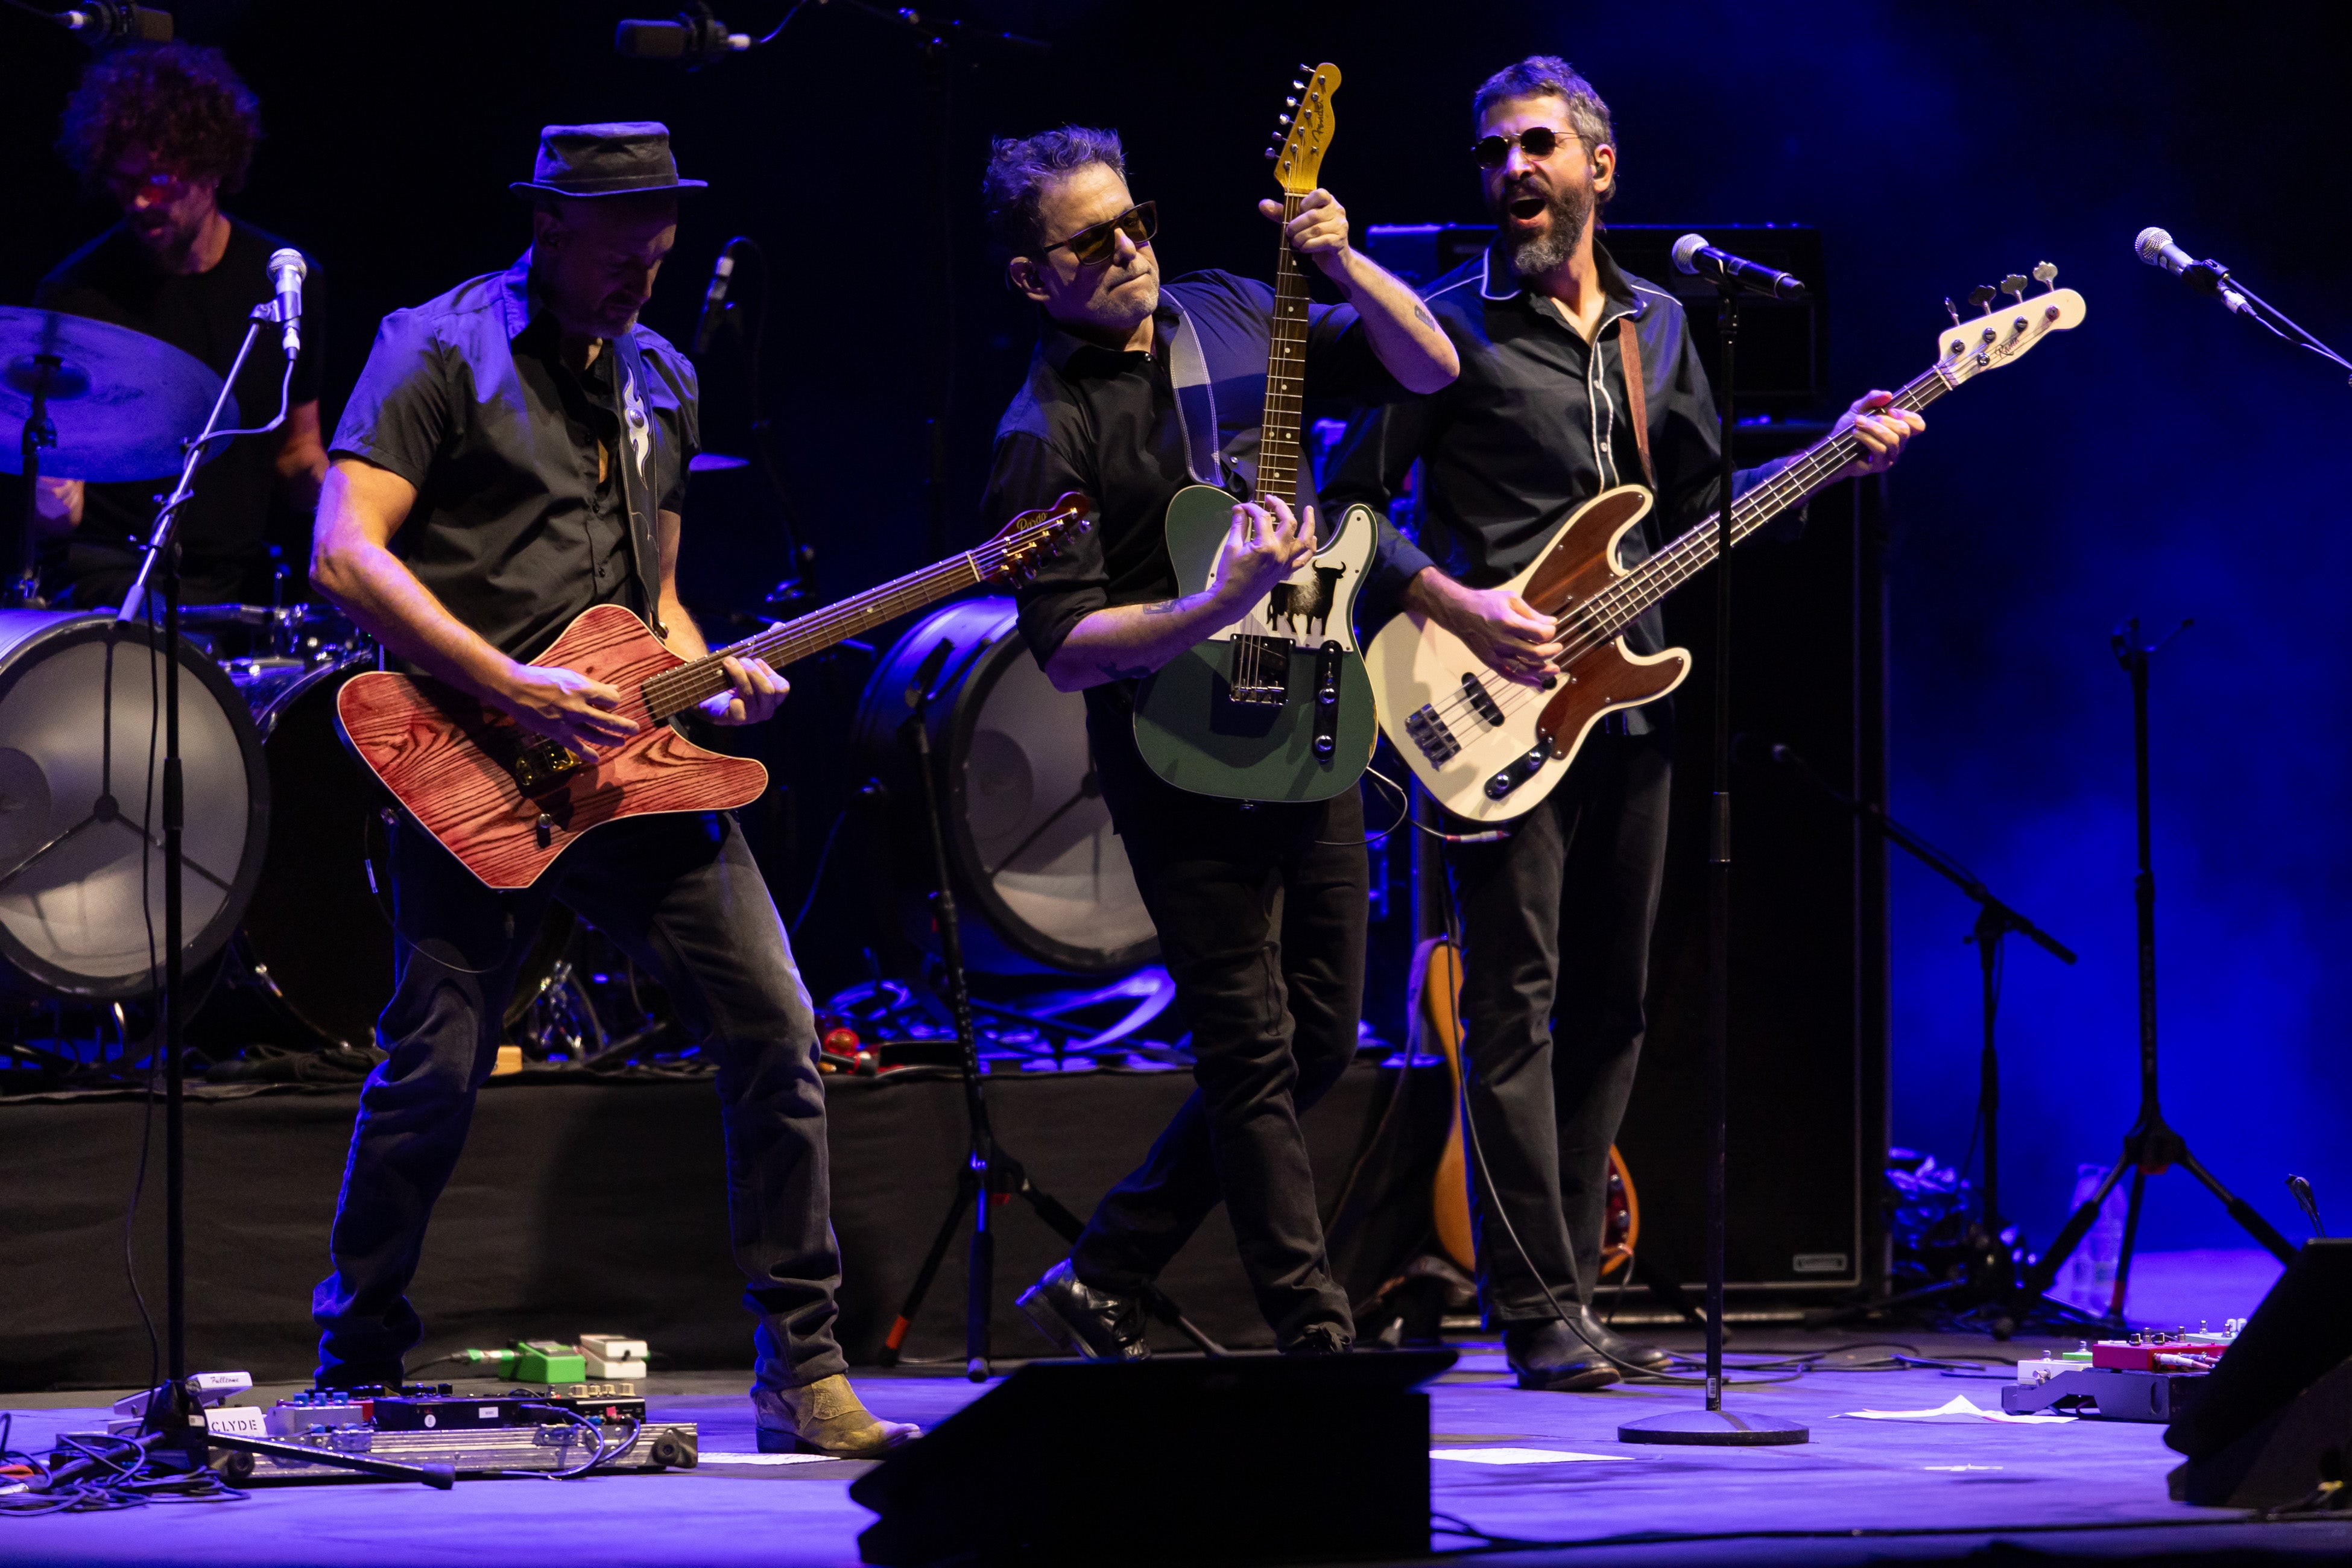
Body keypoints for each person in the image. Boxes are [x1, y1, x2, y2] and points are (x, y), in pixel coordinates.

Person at [305, 123, 912, 1456]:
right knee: (435, 1070)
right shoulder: (437, 346)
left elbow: (663, 604)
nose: (647, 262)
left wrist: (721, 677)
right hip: (470, 760)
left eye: (663, 236)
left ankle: (801, 1369)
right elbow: (345, 556)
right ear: (552, 226)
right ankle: (354, 1358)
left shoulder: (664, 378)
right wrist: (513, 686)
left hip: (635, 772)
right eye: (622, 238)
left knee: (778, 1024)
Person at [1323, 57, 1924, 1391]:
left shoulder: (1659, 323)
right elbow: (1341, 508)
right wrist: (1460, 605)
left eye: (1539, 147)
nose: (1512, 173)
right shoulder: (1444, 329)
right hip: (1485, 712)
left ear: (1601, 168)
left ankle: (1572, 1297)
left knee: (1615, 1004)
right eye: (1492, 154)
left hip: (1629, 707)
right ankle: (1532, 1312)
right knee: (1515, 1005)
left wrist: (1833, 454)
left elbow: (1706, 502)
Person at [977, 126, 1459, 1357]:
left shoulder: (1239, 311)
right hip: (1174, 754)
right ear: (1035, 277)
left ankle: (1106, 1268)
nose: (1133, 247)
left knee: (1318, 1035)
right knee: (1248, 1050)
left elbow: (1431, 366)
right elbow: (1071, 643)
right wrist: (1213, 603)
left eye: (1138, 220)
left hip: (1316, 717)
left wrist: (1344, 260)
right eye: (1096, 240)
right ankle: (1317, 1334)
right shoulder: (1043, 429)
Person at [33, 42, 327, 608]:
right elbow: (58, 500)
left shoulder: (287, 279)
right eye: (124, 181)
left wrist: (368, 510)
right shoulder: (75, 293)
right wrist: (46, 497)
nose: (140, 201)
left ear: (214, 168)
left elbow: (297, 453)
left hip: (233, 583)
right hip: (107, 576)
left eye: (161, 179)